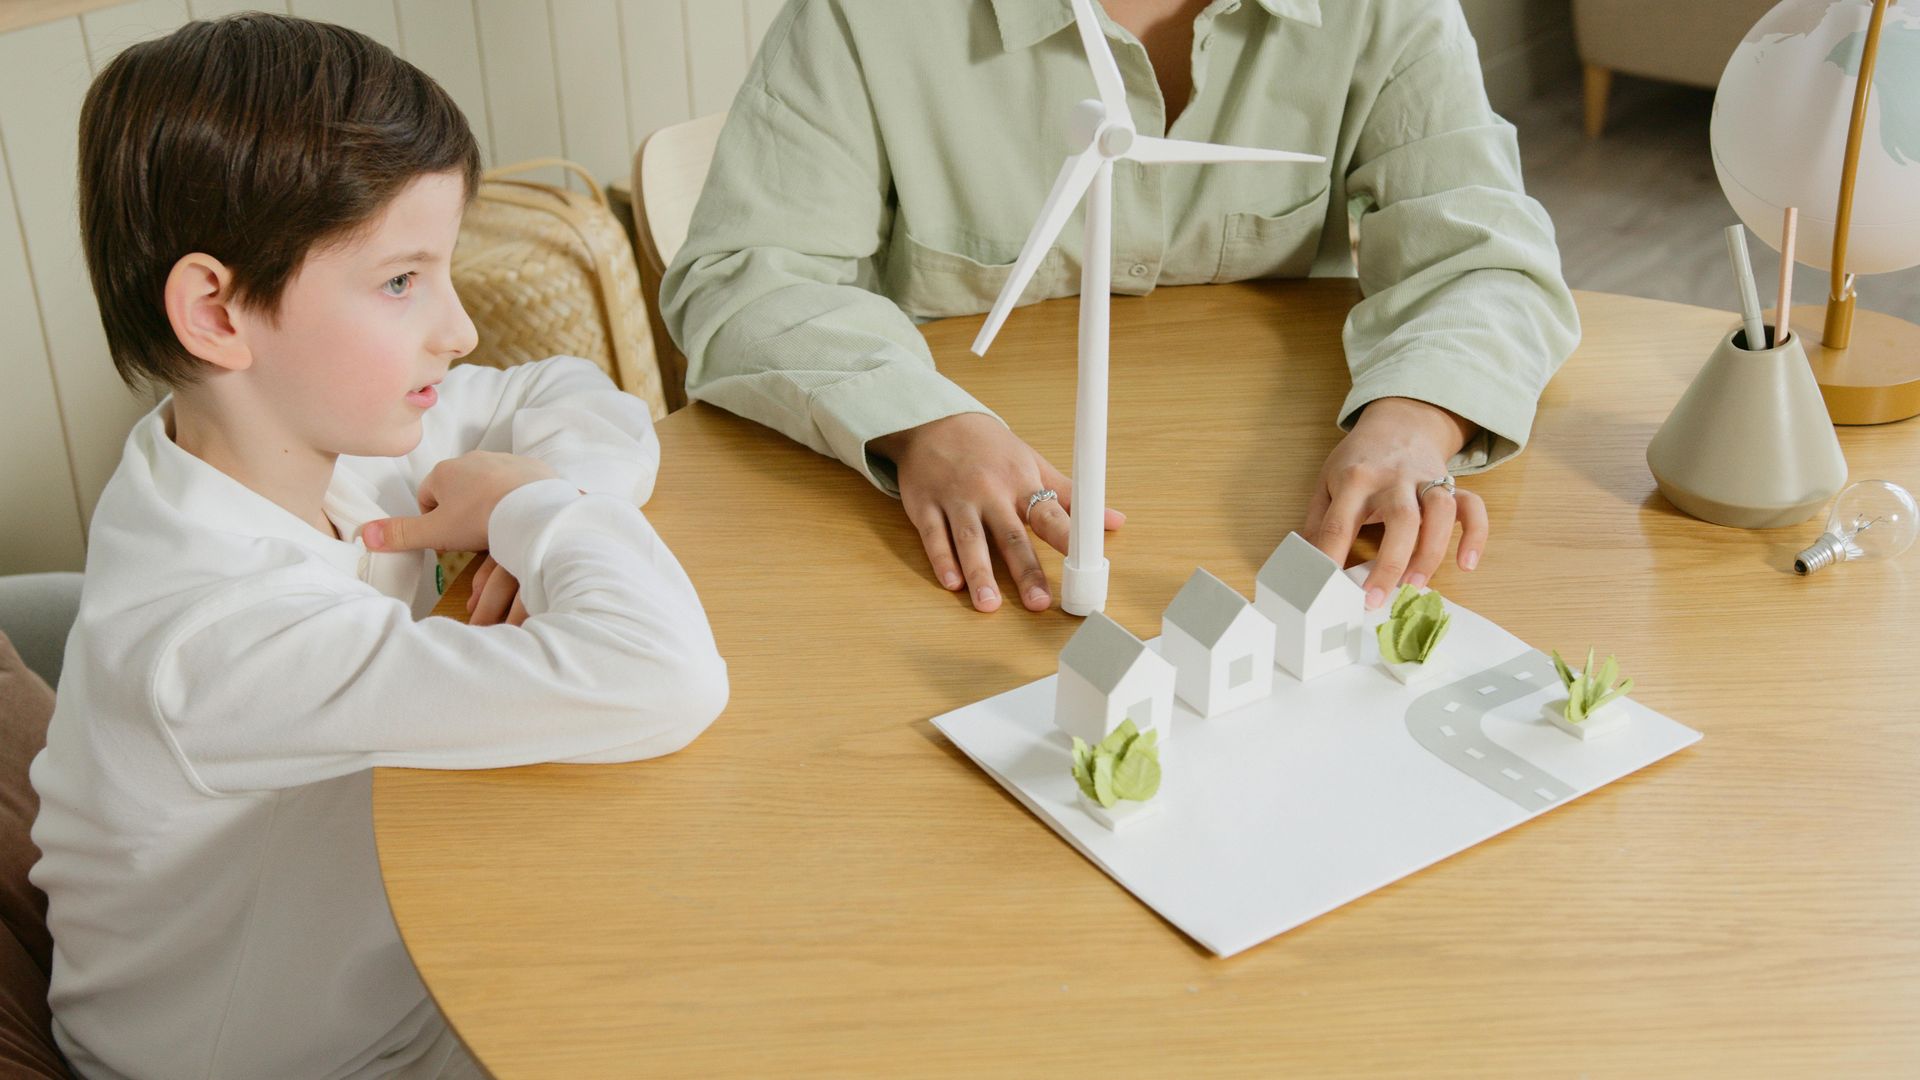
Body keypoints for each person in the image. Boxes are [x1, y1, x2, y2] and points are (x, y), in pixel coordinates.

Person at [29, 15, 729, 1078]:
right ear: (217, 312)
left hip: (386, 963)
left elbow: (568, 392)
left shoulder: (291, 443)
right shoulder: (216, 640)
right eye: (404, 281)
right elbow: (667, 677)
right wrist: (533, 509)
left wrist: (542, 489)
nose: (458, 329)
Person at [663, 0, 1579, 614]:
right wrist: (920, 423)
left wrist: (1415, 420)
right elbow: (746, 275)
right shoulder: (863, 20)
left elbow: (1486, 260)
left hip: (1267, 513)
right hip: (949, 547)